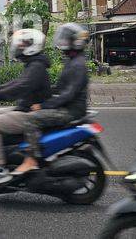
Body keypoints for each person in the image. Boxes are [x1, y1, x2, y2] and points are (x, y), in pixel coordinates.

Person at [0, 28, 52, 186]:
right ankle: (6, 156)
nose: (19, 47)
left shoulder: (36, 67)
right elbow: (15, 83)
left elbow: (19, 88)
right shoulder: (34, 64)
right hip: (25, 109)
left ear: (31, 46)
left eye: (22, 44)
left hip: (30, 114)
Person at [11, 22, 90, 175]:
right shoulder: (71, 61)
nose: (63, 42)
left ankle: (31, 159)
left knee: (31, 119)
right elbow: (60, 89)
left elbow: (68, 94)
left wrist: (43, 106)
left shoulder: (78, 65)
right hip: (67, 107)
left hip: (71, 111)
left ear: (75, 42)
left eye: (67, 39)